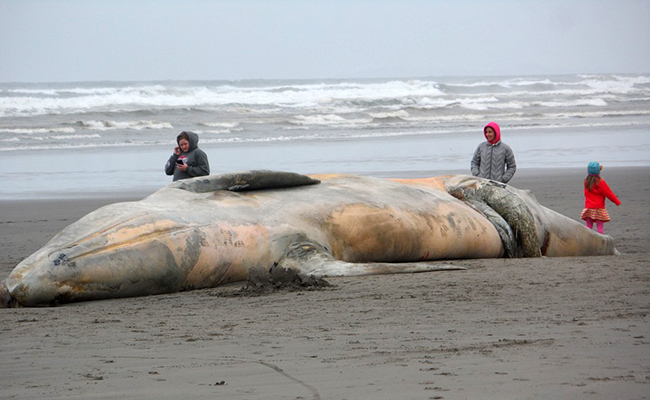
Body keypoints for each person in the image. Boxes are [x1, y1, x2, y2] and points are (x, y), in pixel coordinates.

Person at [580, 162, 621, 234]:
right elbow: (608, 193)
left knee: (589, 226)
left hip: (589, 208)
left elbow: (586, 193)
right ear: (598, 172)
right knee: (600, 226)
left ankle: (589, 239)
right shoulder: (600, 182)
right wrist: (617, 202)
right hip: (599, 208)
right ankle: (600, 239)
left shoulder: (586, 182)